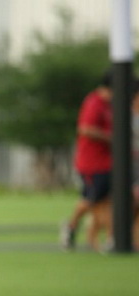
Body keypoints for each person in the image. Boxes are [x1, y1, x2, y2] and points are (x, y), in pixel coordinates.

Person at [61, 71, 113, 251]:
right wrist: (111, 138)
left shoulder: (110, 104)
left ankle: (107, 238)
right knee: (92, 198)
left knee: (104, 200)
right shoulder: (95, 103)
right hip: (92, 162)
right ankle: (71, 226)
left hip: (107, 161)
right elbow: (85, 129)